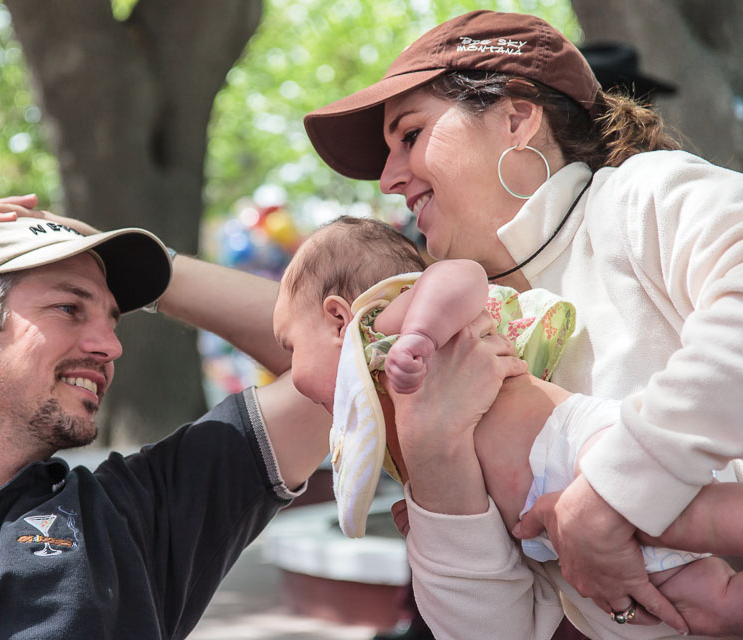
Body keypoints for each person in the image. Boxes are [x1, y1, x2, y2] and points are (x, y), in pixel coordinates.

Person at [302, 9, 743, 638]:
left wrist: (612, 494)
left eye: (411, 135)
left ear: (516, 118)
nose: (389, 179)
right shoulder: (449, 328)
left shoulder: (638, 197)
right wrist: (435, 459)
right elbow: (492, 630)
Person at [0, 201, 332, 639]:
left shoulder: (141, 515)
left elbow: (341, 359)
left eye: (114, 320)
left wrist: (161, 274)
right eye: (70, 308)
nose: (110, 347)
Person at [274, 215, 743, 639]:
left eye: (290, 347)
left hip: (572, 447)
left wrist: (419, 333)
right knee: (710, 609)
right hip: (555, 536)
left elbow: (460, 276)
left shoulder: (383, 331)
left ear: (339, 319)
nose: (288, 373)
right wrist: (427, 518)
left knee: (697, 517)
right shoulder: (388, 423)